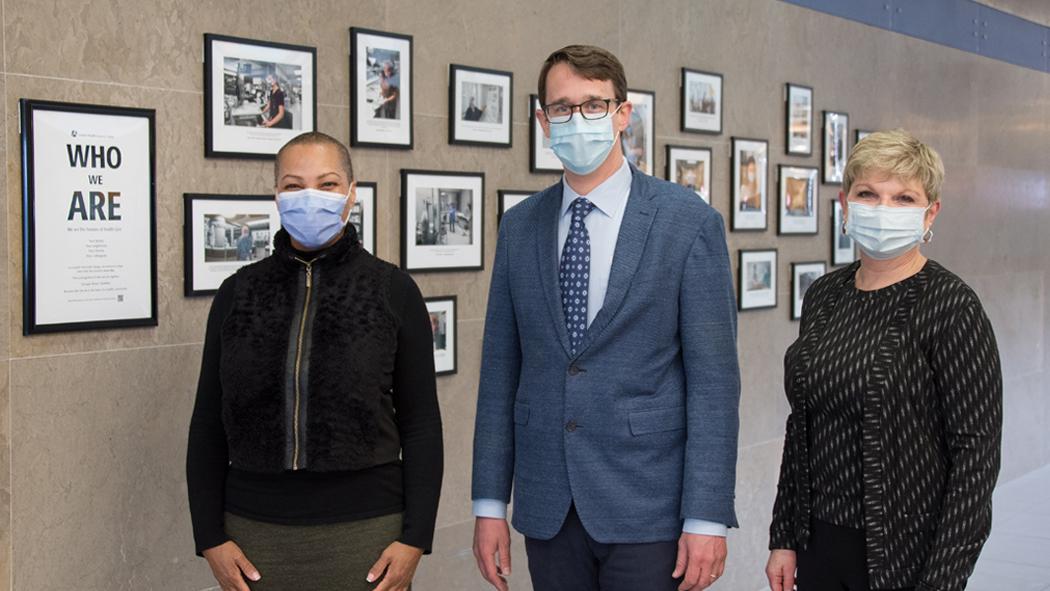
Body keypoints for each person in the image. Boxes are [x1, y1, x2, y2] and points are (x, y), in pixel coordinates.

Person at [471, 45, 740, 591]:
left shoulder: (688, 223)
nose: (578, 119)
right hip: (548, 503)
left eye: (594, 104)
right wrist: (489, 502)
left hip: (650, 505)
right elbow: (500, 372)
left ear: (623, 113)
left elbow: (713, 384)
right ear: (543, 121)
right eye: (562, 108)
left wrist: (706, 516)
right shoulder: (520, 227)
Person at [186, 131, 443, 591]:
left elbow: (422, 424)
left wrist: (415, 539)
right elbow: (208, 422)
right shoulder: (237, 294)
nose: (310, 197)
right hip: (253, 538)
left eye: (326, 185)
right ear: (276, 197)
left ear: (350, 194)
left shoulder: (392, 291)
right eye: (293, 185)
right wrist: (209, 536)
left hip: (368, 535)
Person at [766, 129, 1002, 591]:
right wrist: (784, 537)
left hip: (905, 552)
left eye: (904, 198)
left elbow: (976, 459)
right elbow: (802, 429)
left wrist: (943, 579)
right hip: (819, 543)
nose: (883, 209)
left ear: (930, 212)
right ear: (845, 204)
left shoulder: (951, 306)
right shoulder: (825, 295)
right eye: (868, 194)